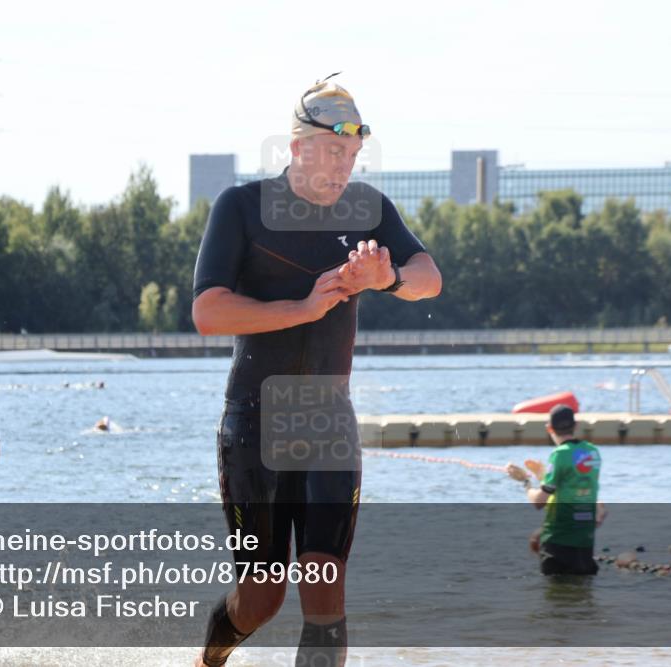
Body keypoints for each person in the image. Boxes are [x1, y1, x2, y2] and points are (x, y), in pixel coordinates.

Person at [191, 73, 442, 667]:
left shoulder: (369, 209)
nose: (343, 167)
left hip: (329, 419)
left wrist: (387, 278)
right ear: (297, 147)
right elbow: (207, 311)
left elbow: (429, 276)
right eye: (333, 152)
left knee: (325, 585)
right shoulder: (242, 207)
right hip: (254, 422)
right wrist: (303, 307)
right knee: (260, 598)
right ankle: (209, 658)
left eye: (352, 155)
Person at [506, 405, 603, 576]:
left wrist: (525, 482)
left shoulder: (560, 454)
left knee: (557, 598)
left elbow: (539, 502)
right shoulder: (592, 452)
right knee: (583, 595)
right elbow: (574, 485)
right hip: (585, 542)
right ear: (576, 425)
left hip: (559, 542)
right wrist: (542, 475)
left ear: (549, 428)